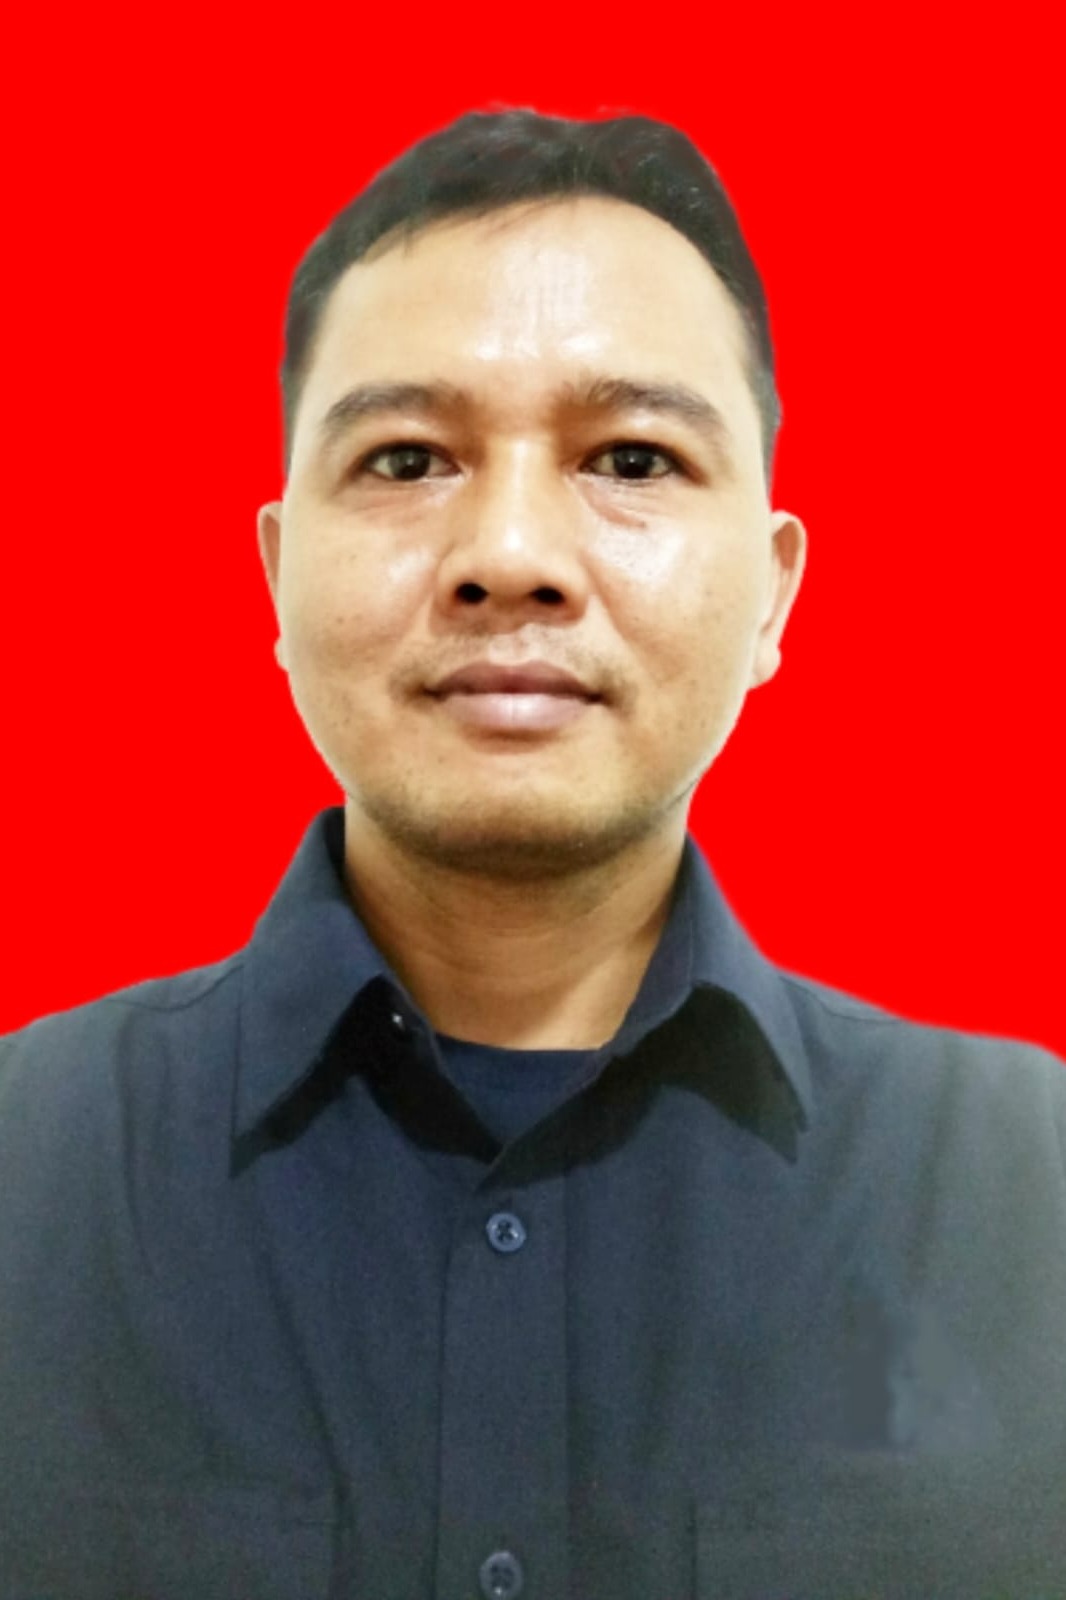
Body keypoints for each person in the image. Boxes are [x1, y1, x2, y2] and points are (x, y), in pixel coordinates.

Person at [1, 108, 1063, 1600]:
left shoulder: (1028, 1183)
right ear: (276, 575)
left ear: (772, 594)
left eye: (630, 456)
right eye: (406, 457)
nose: (509, 554)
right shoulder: (25, 1162)